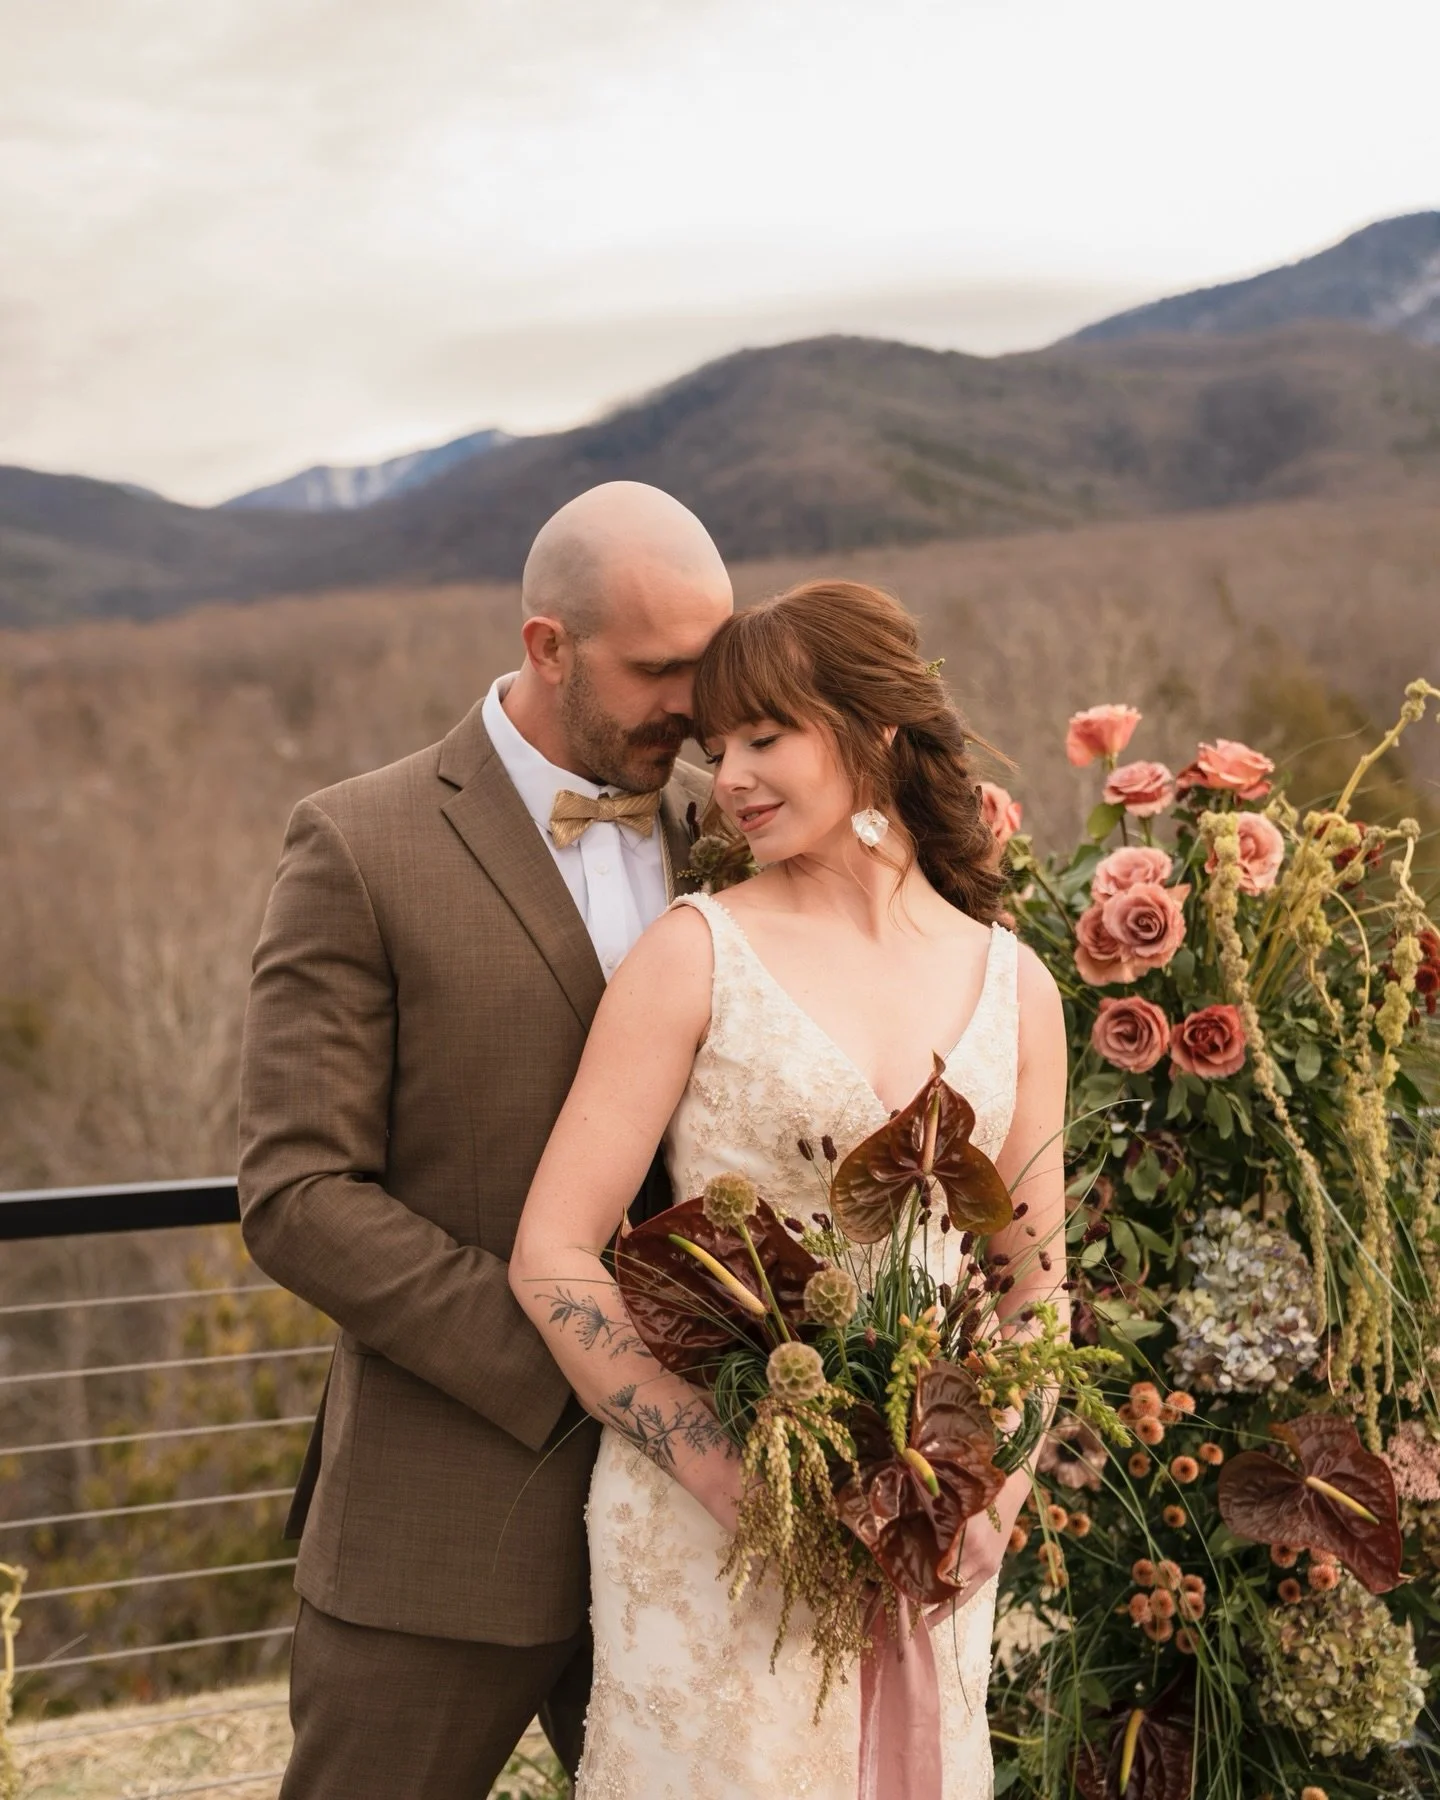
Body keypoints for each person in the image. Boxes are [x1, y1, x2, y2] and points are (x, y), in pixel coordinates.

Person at [510, 579, 1068, 1799]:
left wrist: (994, 1499)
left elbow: (1037, 1290)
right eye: (717, 751)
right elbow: (551, 1253)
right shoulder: (694, 953)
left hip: (932, 1526)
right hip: (715, 1527)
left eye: (766, 739)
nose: (732, 781)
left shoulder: (1017, 985)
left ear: (875, 729)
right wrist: (721, 1466)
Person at [236, 481, 732, 1798]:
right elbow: (298, 1193)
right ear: (547, 645)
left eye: (710, 663)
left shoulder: (734, 830)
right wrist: (580, 1357)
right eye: (658, 669)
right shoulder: (360, 843)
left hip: (700, 1526)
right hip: (444, 1522)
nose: (696, 704)